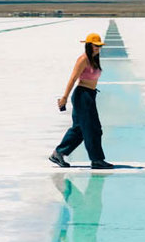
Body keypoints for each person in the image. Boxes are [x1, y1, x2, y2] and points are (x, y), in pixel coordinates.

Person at [49, 32, 114, 169]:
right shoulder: (83, 59)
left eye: (99, 46)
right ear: (88, 45)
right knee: (92, 129)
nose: (97, 48)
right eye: (95, 46)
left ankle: (58, 153)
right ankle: (96, 160)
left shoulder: (95, 58)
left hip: (90, 95)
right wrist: (64, 98)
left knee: (80, 129)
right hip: (82, 96)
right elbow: (73, 78)